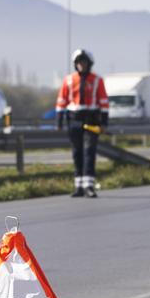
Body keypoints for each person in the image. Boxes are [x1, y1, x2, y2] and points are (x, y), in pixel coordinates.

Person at [55, 49, 109, 198]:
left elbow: (104, 102)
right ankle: (78, 186)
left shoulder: (97, 80)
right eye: (78, 62)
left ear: (89, 64)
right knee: (76, 152)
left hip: (91, 119)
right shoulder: (69, 80)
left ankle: (89, 186)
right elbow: (61, 100)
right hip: (74, 119)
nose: (81, 65)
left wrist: (104, 122)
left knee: (89, 152)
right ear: (75, 64)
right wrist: (59, 120)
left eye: (83, 62)